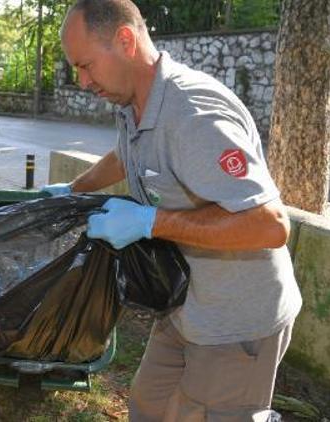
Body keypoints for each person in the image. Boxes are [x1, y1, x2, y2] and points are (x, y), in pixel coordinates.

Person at [42, 1, 302, 420]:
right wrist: (73, 189)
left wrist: (151, 222)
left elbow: (270, 225)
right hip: (184, 305)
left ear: (125, 40)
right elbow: (126, 155)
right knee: (148, 405)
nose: (83, 81)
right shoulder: (133, 103)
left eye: (86, 65)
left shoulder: (193, 115)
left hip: (235, 322)